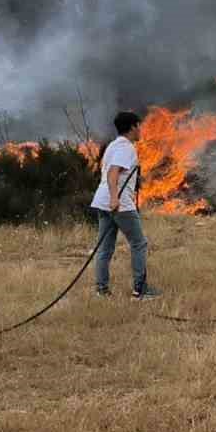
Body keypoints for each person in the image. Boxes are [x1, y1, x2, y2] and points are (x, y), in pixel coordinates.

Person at [91, 111, 160, 300]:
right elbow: (113, 173)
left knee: (105, 248)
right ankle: (140, 290)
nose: (141, 130)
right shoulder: (126, 148)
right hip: (118, 203)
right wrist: (115, 199)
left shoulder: (113, 145)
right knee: (139, 243)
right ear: (133, 127)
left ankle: (101, 290)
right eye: (139, 126)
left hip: (102, 201)